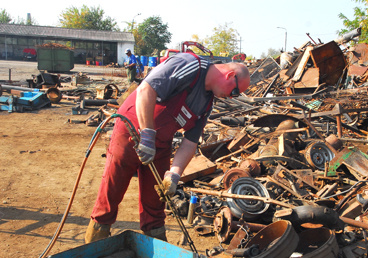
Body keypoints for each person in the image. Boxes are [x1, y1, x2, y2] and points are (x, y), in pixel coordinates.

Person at [85, 53, 250, 243]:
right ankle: (95, 242)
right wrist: (147, 134)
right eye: (235, 92)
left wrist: (174, 173)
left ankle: (157, 249)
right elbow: (146, 89)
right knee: (112, 190)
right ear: (230, 76)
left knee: (156, 198)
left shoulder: (206, 103)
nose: (231, 97)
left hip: (161, 143)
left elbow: (190, 142)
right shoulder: (190, 65)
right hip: (131, 130)